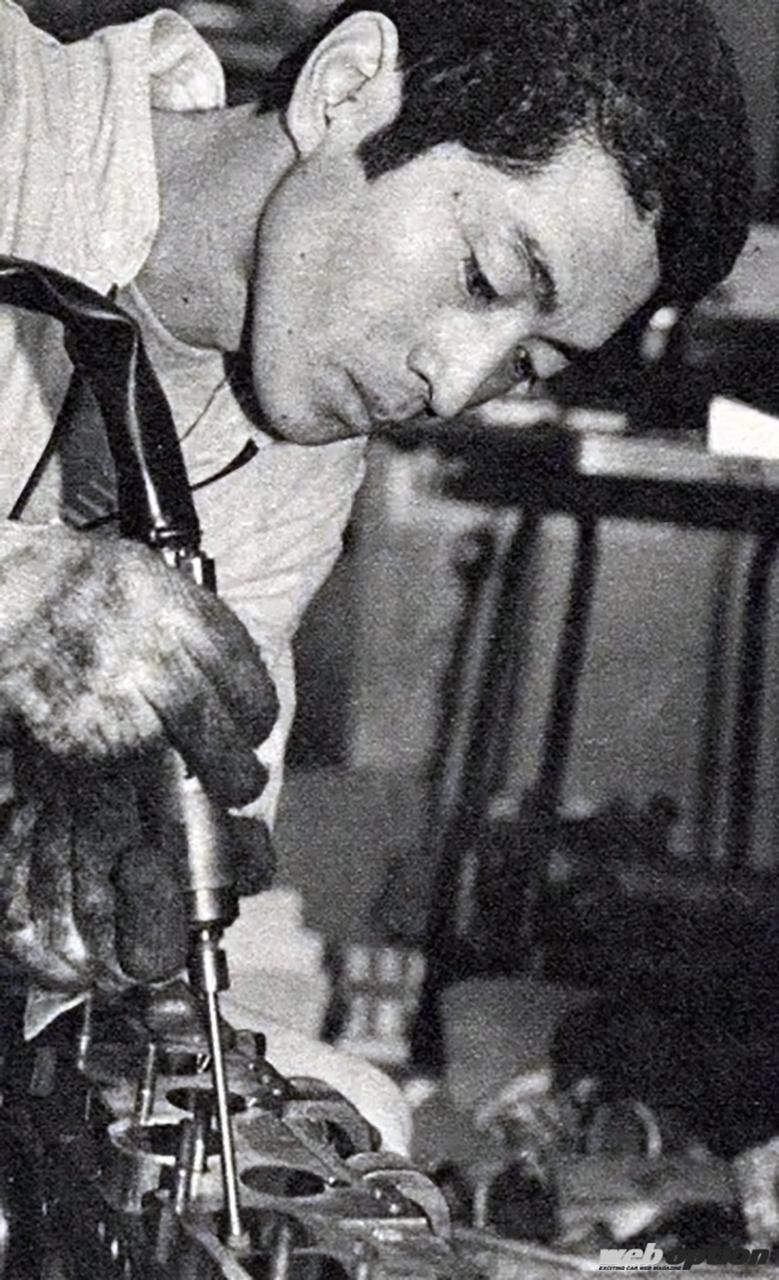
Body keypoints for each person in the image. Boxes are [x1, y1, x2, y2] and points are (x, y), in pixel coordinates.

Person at [0, 0, 753, 1150]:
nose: (451, 384)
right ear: (347, 87)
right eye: (484, 276)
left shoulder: (298, 462)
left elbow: (133, 909)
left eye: (528, 359)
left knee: (359, 1113)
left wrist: (54, 909)